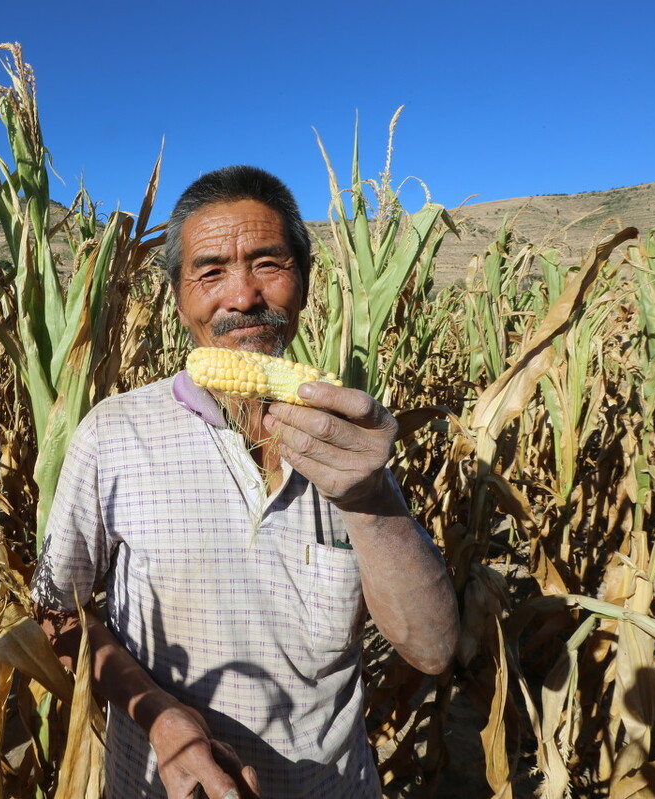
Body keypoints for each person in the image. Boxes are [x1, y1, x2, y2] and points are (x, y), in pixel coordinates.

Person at [31, 165, 459, 798]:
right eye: (210, 272)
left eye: (268, 264)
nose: (242, 297)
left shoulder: (350, 437)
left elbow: (432, 648)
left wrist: (368, 498)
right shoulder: (113, 434)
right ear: (178, 298)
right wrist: (161, 719)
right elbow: (53, 615)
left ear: (305, 285)